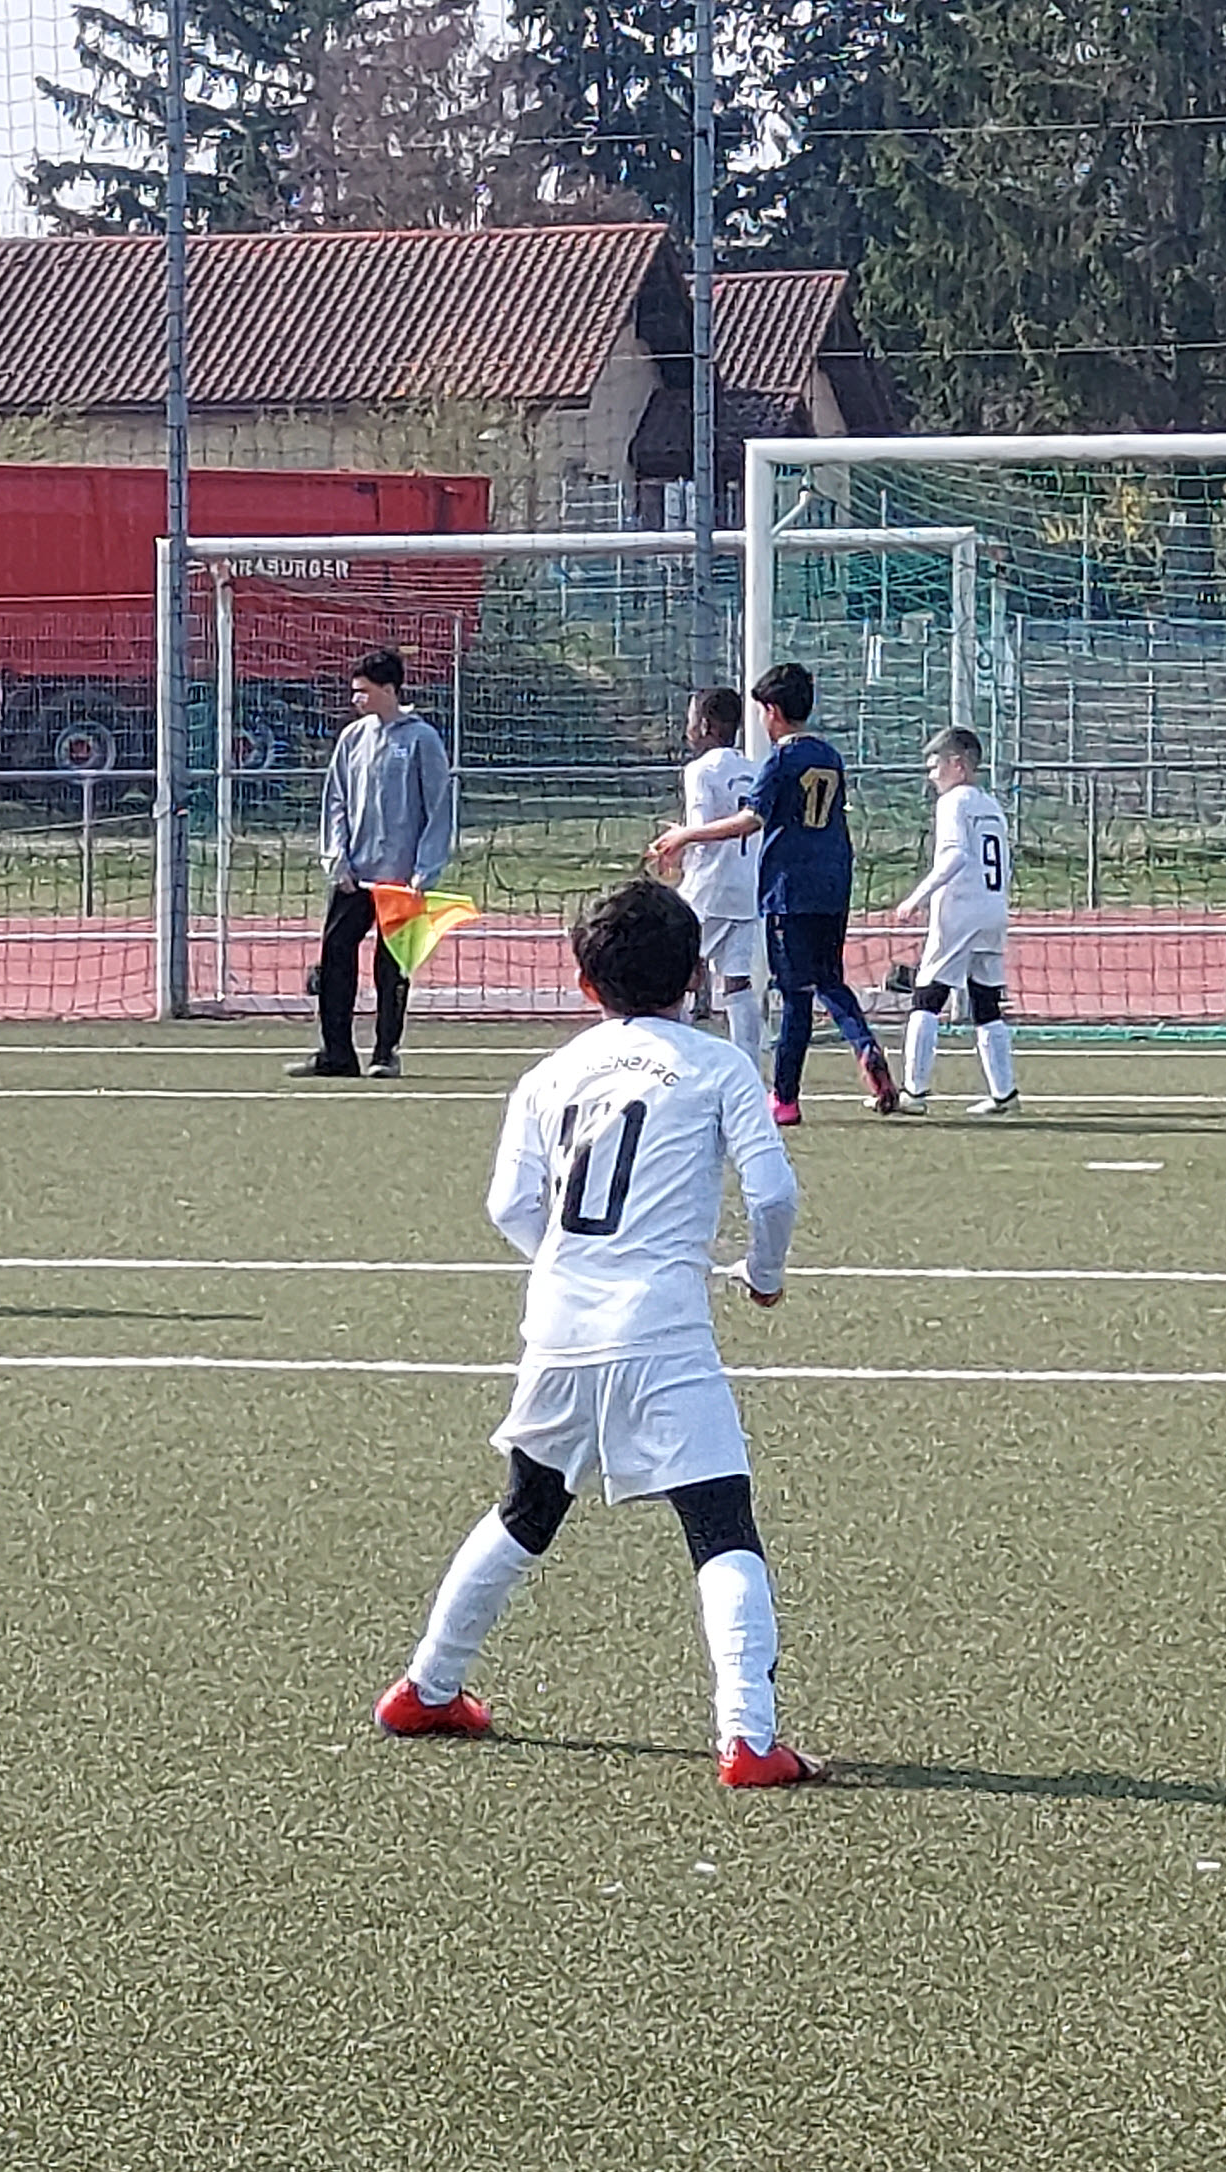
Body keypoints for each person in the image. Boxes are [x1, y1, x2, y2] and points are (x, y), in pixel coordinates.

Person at [374, 878, 819, 1788]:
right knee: (719, 1521)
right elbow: (773, 1193)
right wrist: (764, 1276)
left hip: (560, 1328)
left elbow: (509, 1204)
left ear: (585, 985)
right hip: (661, 1331)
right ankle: (749, 1737)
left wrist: (572, 1262)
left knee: (527, 1507)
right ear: (695, 977)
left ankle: (426, 1686)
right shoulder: (718, 1066)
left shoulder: (549, 1075)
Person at [646, 661, 898, 1125]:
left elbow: (751, 819)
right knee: (829, 979)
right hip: (832, 884)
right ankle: (863, 1042)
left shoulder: (779, 761)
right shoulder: (830, 757)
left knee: (795, 992)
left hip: (788, 889)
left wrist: (685, 835)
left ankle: (783, 1098)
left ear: (774, 712)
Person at [290, 648, 457, 1080]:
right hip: (355, 876)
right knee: (335, 955)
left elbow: (439, 808)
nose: (356, 699)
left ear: (389, 689)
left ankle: (386, 1052)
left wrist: (425, 870)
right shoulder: (353, 738)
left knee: (391, 967)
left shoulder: (421, 739)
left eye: (363, 691)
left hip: (401, 879)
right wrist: (337, 857)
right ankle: (336, 1053)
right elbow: (336, 800)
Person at [891, 725, 1020, 1118]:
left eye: (936, 767)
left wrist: (916, 897)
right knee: (986, 1001)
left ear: (959, 765)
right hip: (992, 909)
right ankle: (1004, 1093)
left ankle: (913, 1091)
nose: (932, 776)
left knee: (927, 996)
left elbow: (956, 855)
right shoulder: (991, 805)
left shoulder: (953, 802)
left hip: (960, 911)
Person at [672, 687, 766, 1066]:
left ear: (706, 725)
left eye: (691, 720)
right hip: (747, 888)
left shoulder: (701, 770)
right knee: (737, 982)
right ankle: (749, 1065)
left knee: (676, 971)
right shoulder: (755, 769)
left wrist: (678, 841)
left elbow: (701, 828)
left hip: (707, 889)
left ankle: (677, 1058)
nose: (687, 729)